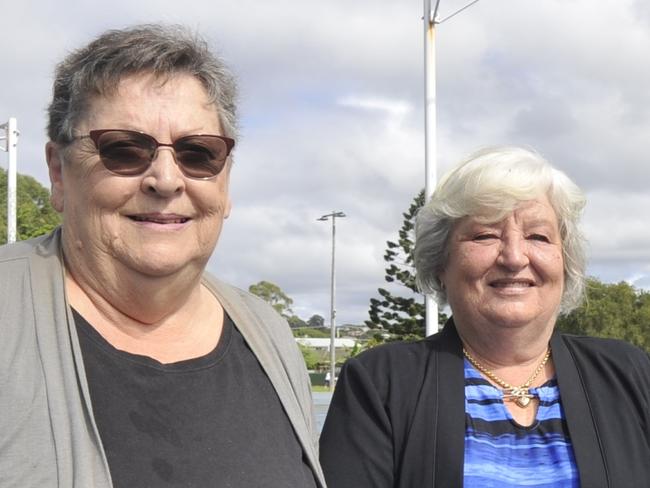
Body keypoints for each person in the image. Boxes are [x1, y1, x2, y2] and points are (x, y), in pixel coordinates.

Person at [0, 24, 325, 488]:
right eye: (125, 149)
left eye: (198, 153)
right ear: (58, 171)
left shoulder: (267, 334)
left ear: (225, 181)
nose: (167, 180)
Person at [320, 146, 650, 487]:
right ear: (441, 262)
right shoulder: (380, 383)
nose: (514, 257)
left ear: (564, 262)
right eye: (485, 235)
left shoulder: (628, 374)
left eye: (538, 236)